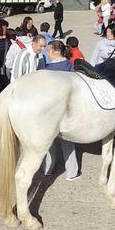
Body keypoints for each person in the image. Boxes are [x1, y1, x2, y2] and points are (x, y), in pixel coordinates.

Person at [42, 41, 81, 181]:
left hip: (50, 112)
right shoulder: (71, 67)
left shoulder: (46, 71)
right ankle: (72, 172)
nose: (46, 53)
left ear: (53, 52)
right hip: (67, 110)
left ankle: (48, 168)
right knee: (68, 142)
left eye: (47, 51)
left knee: (48, 142)